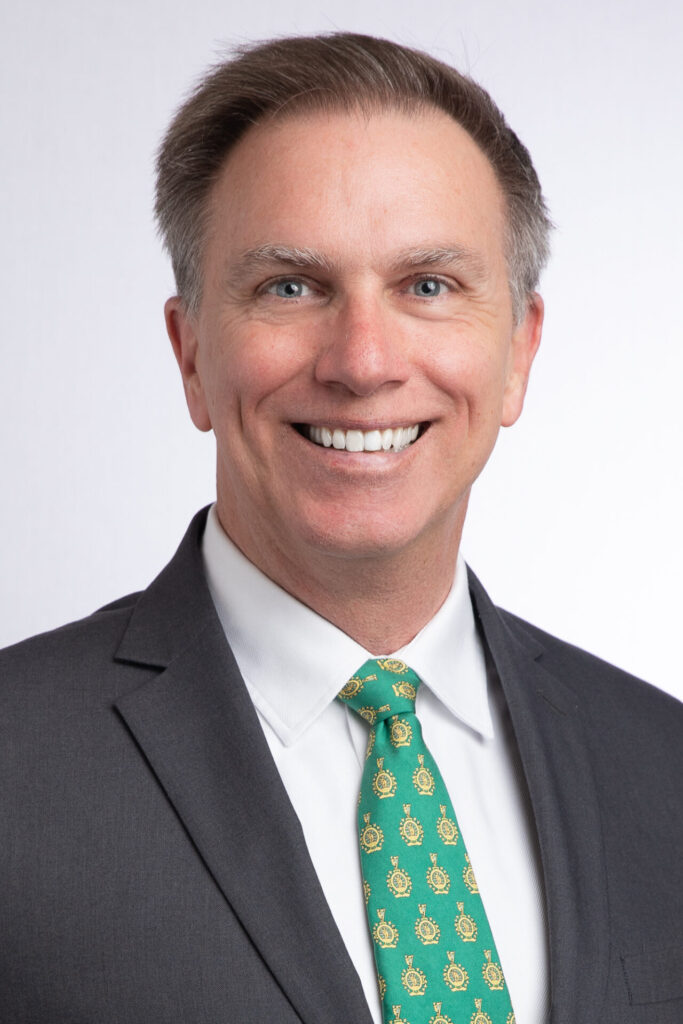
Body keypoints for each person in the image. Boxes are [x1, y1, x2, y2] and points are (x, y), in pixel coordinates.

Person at [1, 32, 681, 1024]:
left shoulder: (660, 768)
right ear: (191, 353)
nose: (362, 361)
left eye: (427, 286)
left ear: (517, 356)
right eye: (289, 286)